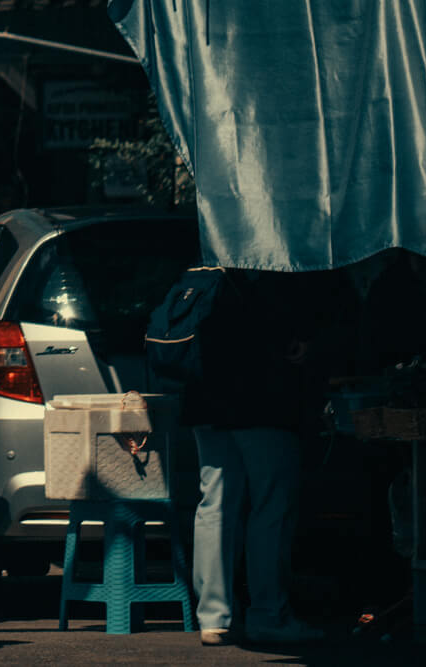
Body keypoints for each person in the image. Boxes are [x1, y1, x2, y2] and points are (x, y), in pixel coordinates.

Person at [184, 270, 326, 647]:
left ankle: (215, 617)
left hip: (206, 401)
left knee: (215, 505)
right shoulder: (270, 270)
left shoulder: (204, 272)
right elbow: (288, 339)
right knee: (271, 506)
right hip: (260, 401)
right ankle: (268, 614)